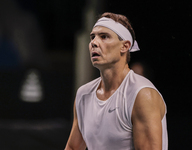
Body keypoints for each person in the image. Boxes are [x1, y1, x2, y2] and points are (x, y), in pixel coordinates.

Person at [65, 12, 168, 150]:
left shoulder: (142, 95)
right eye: (92, 37)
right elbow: (73, 147)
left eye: (104, 37)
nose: (94, 43)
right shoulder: (83, 94)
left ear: (125, 46)